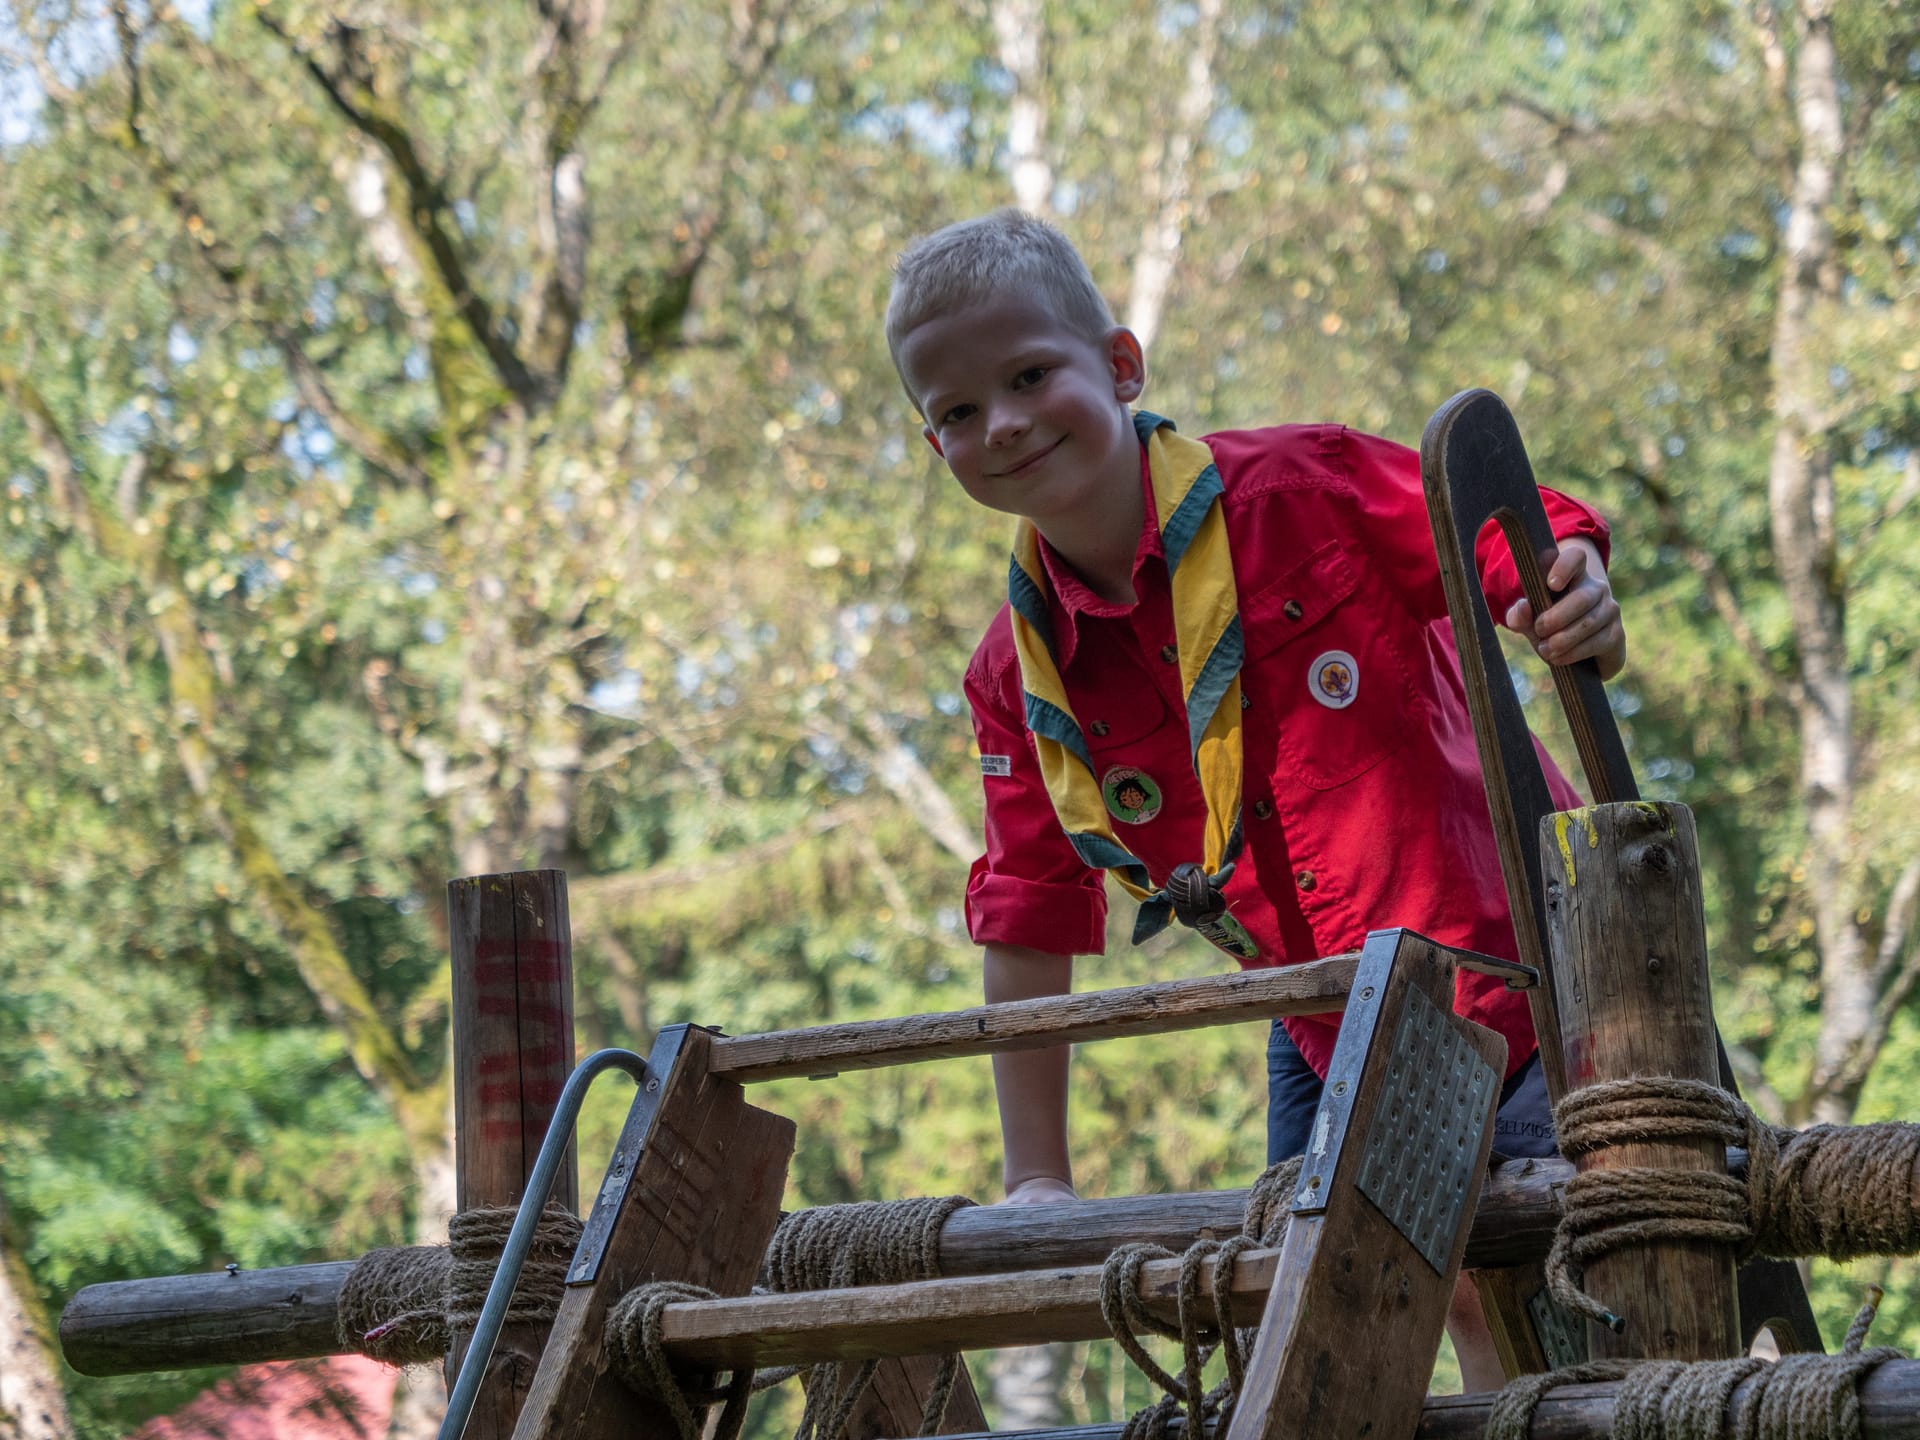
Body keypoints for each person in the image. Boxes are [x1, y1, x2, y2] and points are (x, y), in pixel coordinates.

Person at [885, 209, 1625, 1388]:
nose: (1006, 424)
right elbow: (1029, 909)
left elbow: (1495, 532)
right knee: (1309, 1328)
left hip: (1521, 968)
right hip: (1326, 1020)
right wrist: (1038, 1177)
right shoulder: (1014, 676)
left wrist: (1564, 580)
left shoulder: (1298, 487)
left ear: (1121, 365)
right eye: (960, 412)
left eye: (1030, 375)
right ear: (936, 449)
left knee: (1522, 1293)